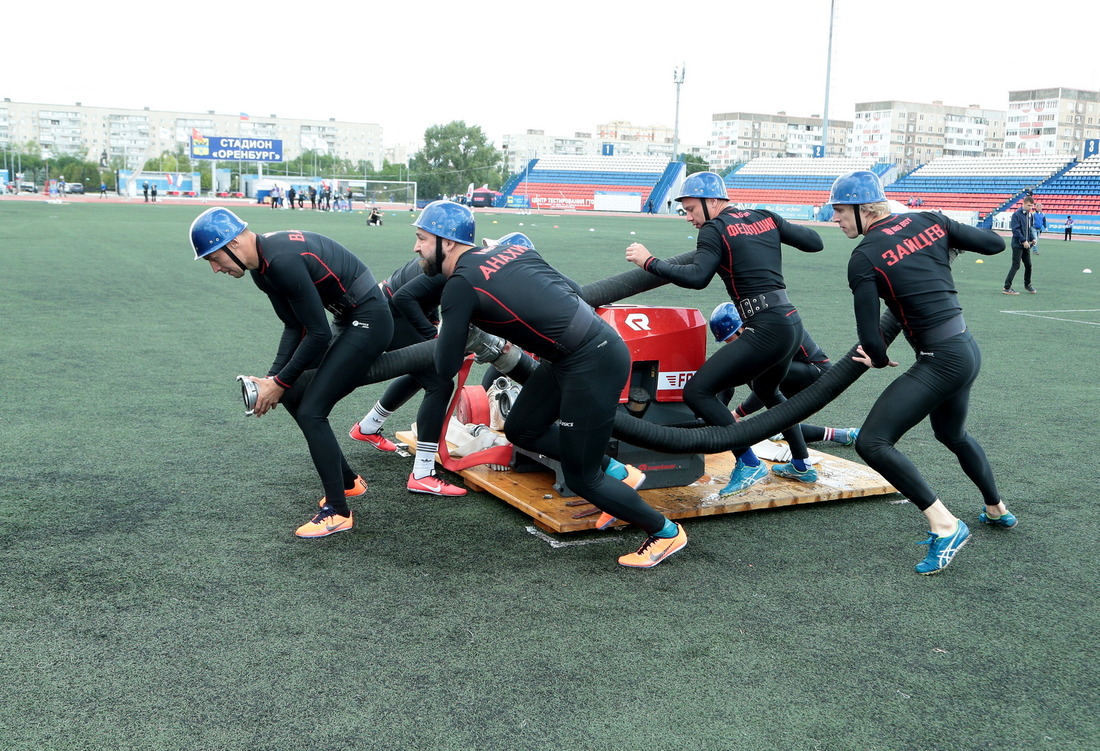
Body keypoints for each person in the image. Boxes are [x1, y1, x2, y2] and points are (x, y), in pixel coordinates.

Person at [415, 201, 686, 568]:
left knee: (582, 477)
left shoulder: (459, 285)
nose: (416, 247)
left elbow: (445, 365)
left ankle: (665, 533)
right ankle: (620, 473)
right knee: (522, 429)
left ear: (446, 243)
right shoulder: (510, 248)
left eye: (421, 238)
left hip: (591, 362)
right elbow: (574, 290)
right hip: (574, 355)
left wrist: (456, 327)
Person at [829, 170, 1017, 576]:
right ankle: (996, 508)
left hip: (940, 360)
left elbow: (872, 341)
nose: (835, 219)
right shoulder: (930, 220)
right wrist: (947, 235)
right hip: (966, 349)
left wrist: (877, 360)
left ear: (865, 209)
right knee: (951, 434)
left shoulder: (863, 257)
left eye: (840, 210)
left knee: (874, 443)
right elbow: (995, 243)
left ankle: (945, 525)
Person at [189, 207, 394, 538]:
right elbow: (294, 326)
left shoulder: (280, 262)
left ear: (235, 244)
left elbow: (317, 334)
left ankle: (339, 512)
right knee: (294, 394)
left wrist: (278, 383)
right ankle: (347, 481)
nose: (215, 268)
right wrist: (273, 380)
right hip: (348, 317)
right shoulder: (262, 268)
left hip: (369, 320)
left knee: (313, 411)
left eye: (214, 258)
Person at [624, 171, 824, 496]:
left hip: (764, 327)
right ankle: (801, 465)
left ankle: (748, 461)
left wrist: (649, 261)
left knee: (697, 392)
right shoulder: (764, 216)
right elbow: (815, 242)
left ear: (712, 201)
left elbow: (697, 277)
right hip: (790, 322)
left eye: (691, 209)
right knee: (769, 391)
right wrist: (768, 231)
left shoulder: (714, 229)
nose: (689, 218)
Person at [349, 256, 466, 496]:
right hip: (389, 312)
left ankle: (368, 426)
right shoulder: (458, 267)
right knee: (440, 384)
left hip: (386, 308)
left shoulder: (448, 259)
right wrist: (431, 335)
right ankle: (422, 474)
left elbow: (426, 293)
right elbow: (405, 297)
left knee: (422, 373)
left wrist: (431, 323)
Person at [708, 303, 860, 446]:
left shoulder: (762, 335)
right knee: (775, 423)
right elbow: (728, 378)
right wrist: (719, 416)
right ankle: (842, 434)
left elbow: (764, 387)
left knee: (754, 373)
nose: (728, 344)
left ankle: (803, 462)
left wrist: (737, 413)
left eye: (728, 339)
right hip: (799, 371)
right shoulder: (752, 329)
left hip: (817, 372)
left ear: (740, 329)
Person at [1003, 196, 1036, 294]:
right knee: (1016, 265)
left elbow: (1028, 229)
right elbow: (1016, 230)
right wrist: (1023, 241)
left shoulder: (1028, 215)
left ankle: (1028, 285)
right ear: (1024, 203)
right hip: (1017, 245)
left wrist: (1032, 239)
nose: (1030, 208)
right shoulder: (1016, 215)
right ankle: (1007, 287)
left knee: (1028, 265)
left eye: (1032, 206)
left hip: (1025, 245)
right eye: (1029, 205)